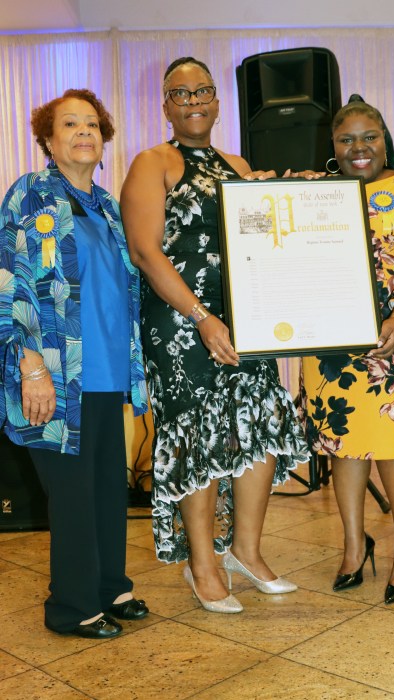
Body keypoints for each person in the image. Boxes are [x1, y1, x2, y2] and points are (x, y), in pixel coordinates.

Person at [120, 57, 309, 613]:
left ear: (218, 101)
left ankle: (246, 551)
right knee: (197, 438)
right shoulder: (152, 162)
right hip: (181, 321)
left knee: (260, 423)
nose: (194, 100)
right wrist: (203, 317)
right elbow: (145, 252)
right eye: (181, 93)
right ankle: (201, 563)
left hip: (244, 316)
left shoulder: (238, 163)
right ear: (166, 107)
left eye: (203, 90)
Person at [0, 89, 149, 638]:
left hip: (107, 371)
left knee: (109, 486)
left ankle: (112, 585)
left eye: (92, 124)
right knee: (71, 492)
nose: (84, 132)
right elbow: (9, 283)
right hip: (54, 376)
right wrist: (30, 366)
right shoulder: (29, 195)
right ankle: (72, 606)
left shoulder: (109, 206)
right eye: (70, 124)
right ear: (47, 138)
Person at [299, 97, 394, 604]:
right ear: (332, 147)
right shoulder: (318, 191)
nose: (359, 148)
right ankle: (352, 544)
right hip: (330, 344)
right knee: (344, 442)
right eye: (347, 139)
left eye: (370, 136)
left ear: (385, 139)